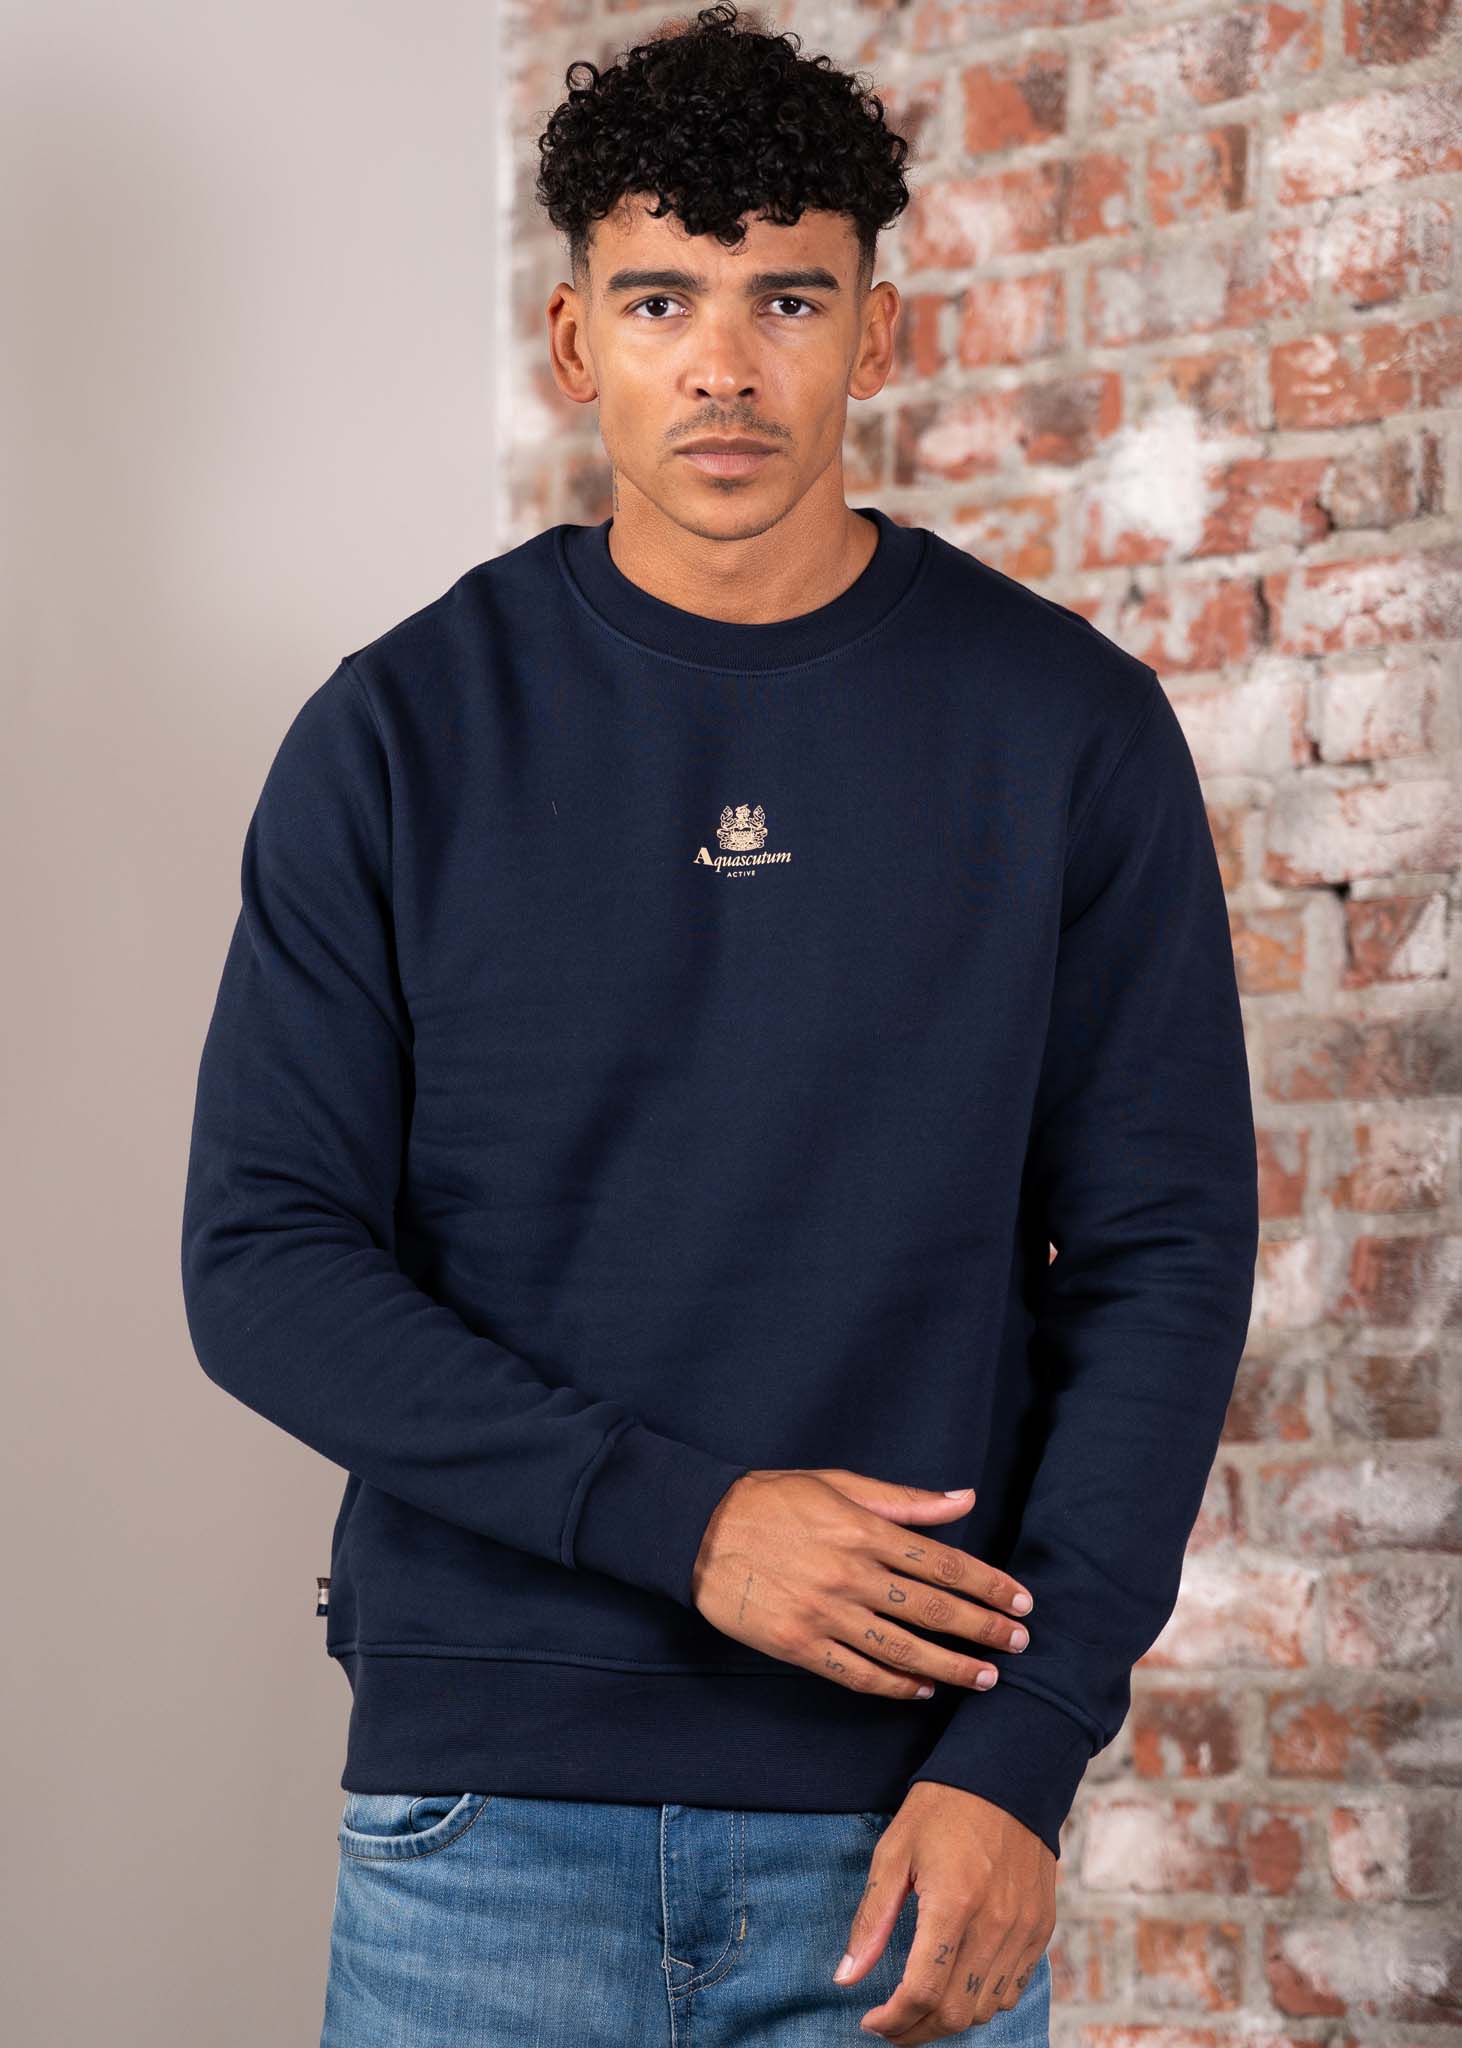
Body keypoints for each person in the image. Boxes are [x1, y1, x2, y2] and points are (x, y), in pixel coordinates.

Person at [179, 6, 1259, 2042]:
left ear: (875, 331)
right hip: (481, 1830)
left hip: (903, 1829)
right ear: (575, 340)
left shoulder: (1062, 730)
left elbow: (1162, 1260)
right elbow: (262, 1262)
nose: (725, 365)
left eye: (788, 298)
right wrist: (691, 1525)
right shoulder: (399, 733)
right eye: (661, 297)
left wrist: (1022, 1751)